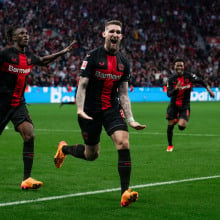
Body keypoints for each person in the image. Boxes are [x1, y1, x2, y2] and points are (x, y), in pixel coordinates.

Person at [54, 20, 146, 207]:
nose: (114, 34)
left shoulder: (124, 62)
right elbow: (83, 85)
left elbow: (123, 93)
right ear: (104, 34)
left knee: (123, 142)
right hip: (90, 110)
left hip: (112, 108)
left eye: (118, 32)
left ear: (121, 36)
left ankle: (125, 192)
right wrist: (79, 109)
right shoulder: (93, 57)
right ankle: (64, 149)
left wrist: (131, 119)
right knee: (91, 155)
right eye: (111, 31)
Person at [0, 26, 76, 190]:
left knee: (29, 136)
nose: (25, 36)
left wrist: (63, 52)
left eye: (27, 33)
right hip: (2, 102)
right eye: (21, 33)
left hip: (18, 103)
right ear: (13, 38)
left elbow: (43, 61)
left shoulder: (28, 56)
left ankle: (26, 179)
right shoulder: (5, 55)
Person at [166, 58, 215, 152]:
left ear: (184, 67)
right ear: (174, 67)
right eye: (177, 65)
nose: (179, 67)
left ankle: (178, 119)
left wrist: (209, 90)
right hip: (173, 105)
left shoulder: (189, 76)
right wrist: (176, 88)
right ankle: (170, 145)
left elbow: (201, 81)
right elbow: (169, 94)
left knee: (181, 127)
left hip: (185, 105)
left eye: (181, 65)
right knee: (170, 126)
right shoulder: (171, 79)